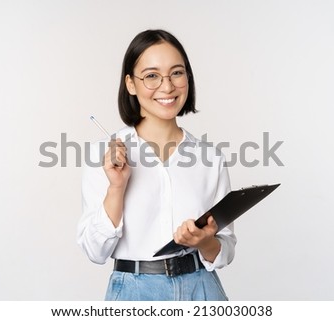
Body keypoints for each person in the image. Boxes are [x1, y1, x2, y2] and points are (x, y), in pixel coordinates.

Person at [77, 29, 236, 301]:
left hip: (203, 289)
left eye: (177, 72)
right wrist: (117, 187)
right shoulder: (105, 156)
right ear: (130, 84)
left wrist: (204, 241)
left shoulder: (210, 157)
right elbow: (95, 252)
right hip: (134, 293)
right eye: (151, 75)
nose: (167, 86)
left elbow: (226, 248)